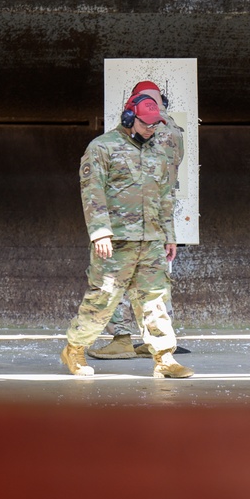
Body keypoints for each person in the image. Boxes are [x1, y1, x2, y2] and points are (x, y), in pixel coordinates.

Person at [61, 90, 193, 379]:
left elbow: (165, 196)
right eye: (146, 123)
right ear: (129, 118)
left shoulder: (159, 150)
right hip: (116, 240)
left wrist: (169, 236)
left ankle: (164, 357)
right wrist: (100, 233)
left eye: (155, 124)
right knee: (103, 299)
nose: (151, 129)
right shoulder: (102, 147)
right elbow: (92, 193)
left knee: (155, 298)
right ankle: (75, 349)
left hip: (151, 240)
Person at [88, 81, 184, 360]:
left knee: (113, 280)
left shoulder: (133, 135)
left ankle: (121, 338)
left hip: (125, 218)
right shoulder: (174, 129)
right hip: (157, 217)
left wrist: (100, 229)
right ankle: (157, 342)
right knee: (155, 284)